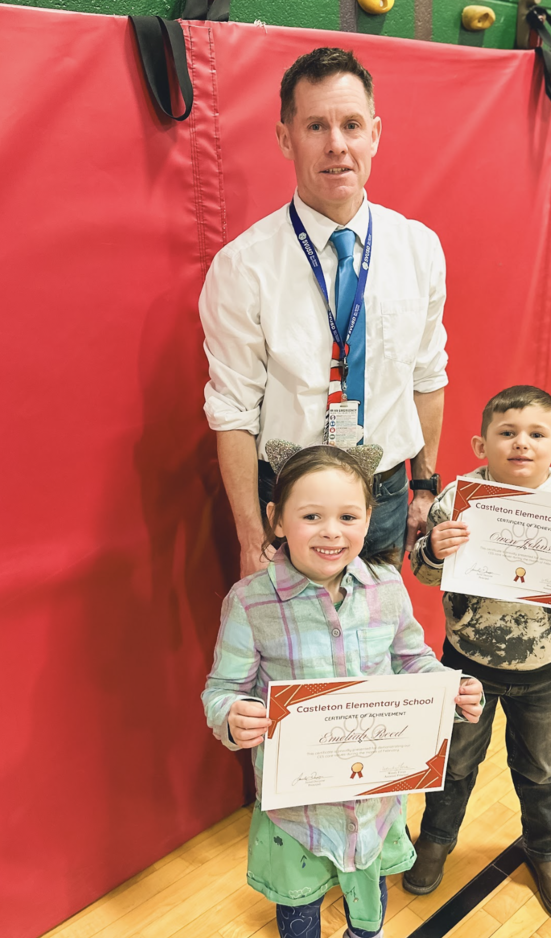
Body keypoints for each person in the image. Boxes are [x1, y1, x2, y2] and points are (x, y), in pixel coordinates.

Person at [202, 443, 483, 938]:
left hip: (375, 795)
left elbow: (413, 661)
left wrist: (447, 689)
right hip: (296, 807)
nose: (331, 532)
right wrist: (233, 715)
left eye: (348, 517)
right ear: (277, 518)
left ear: (367, 520)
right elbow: (223, 688)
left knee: (370, 885)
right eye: (311, 516)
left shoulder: (386, 586)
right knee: (298, 902)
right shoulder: (251, 602)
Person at [200, 47, 448, 577]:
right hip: (290, 502)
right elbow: (233, 413)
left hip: (386, 495)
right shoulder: (243, 266)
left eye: (351, 125)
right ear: (286, 138)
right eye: (316, 126)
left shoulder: (420, 248)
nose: (337, 145)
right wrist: (250, 534)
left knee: (374, 652)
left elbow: (428, 376)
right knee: (295, 656)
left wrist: (425, 485)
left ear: (375, 134)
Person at [403, 385, 551, 922]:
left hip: (546, 669)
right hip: (465, 664)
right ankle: (436, 837)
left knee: (541, 770)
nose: (521, 444)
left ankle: (546, 850)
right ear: (481, 444)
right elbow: (420, 570)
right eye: (506, 433)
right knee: (454, 763)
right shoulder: (455, 500)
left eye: (536, 434)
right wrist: (433, 550)